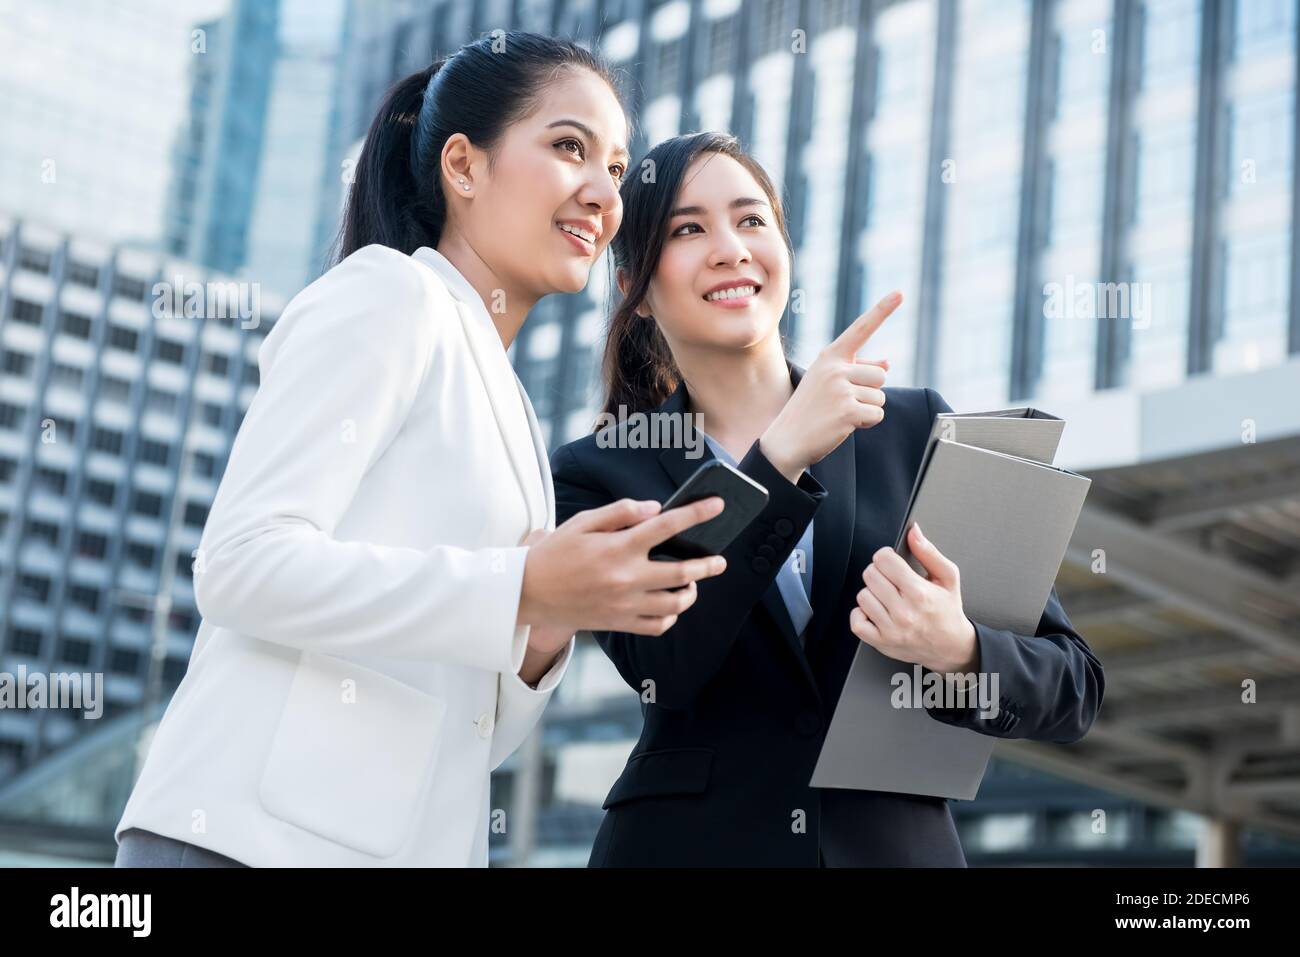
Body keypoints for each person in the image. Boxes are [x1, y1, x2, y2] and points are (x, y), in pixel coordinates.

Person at [114, 33, 727, 869]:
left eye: (617, 169)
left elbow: (478, 734)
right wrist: (520, 584)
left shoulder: (505, 399)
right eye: (569, 147)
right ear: (463, 167)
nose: (602, 194)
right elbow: (240, 564)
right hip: (247, 842)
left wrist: (547, 621)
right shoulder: (391, 292)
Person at [551, 132, 1105, 866]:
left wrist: (960, 648)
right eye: (689, 229)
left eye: (752, 220)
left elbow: (1073, 684)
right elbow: (672, 658)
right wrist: (779, 458)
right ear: (634, 287)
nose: (730, 248)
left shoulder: (908, 427)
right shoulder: (598, 471)